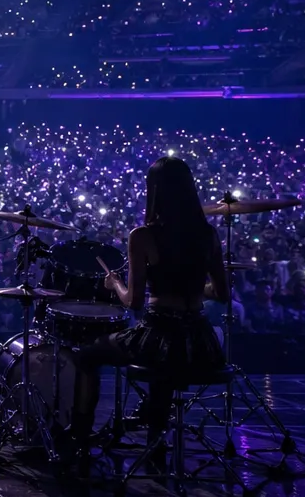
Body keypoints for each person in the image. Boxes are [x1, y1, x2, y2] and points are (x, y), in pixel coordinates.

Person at [69, 157, 229, 472]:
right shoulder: (207, 234)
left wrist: (115, 284)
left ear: (153, 191)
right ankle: (156, 444)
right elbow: (221, 294)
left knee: (87, 356)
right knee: (164, 368)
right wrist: (196, 291)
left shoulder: (143, 235)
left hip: (160, 333)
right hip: (200, 342)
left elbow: (134, 302)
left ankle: (78, 440)